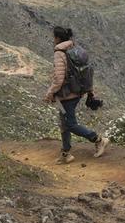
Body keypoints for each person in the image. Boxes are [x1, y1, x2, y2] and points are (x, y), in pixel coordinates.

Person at [43, 26, 109, 164]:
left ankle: (98, 139)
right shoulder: (74, 48)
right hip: (77, 92)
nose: (53, 39)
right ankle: (65, 153)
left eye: (54, 37)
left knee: (71, 124)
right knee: (64, 123)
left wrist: (50, 93)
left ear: (58, 38)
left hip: (66, 95)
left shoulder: (59, 53)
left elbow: (59, 78)